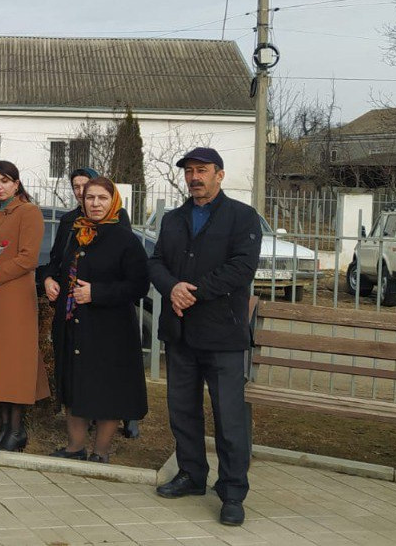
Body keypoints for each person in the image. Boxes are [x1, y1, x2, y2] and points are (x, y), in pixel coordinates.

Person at [149, 148, 261, 527]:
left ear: (220, 174)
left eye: (203, 170)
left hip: (222, 333)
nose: (195, 177)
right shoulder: (174, 218)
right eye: (190, 171)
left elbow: (241, 267)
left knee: (229, 418)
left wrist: (191, 291)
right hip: (181, 332)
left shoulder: (242, 217)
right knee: (182, 410)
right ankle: (192, 475)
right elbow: (156, 262)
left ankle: (232, 491)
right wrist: (172, 286)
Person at [48, 177, 148, 464]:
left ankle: (100, 451)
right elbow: (58, 264)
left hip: (110, 329)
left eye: (102, 198)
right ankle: (75, 446)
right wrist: (50, 278)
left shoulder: (125, 239)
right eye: (89, 198)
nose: (95, 204)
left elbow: (139, 285)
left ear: (113, 200)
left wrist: (98, 292)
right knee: (74, 384)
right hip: (74, 324)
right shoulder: (76, 232)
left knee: (108, 389)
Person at [0, 160, 49, 451]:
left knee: (14, 363)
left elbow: (28, 257)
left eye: (4, 181)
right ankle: (5, 427)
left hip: (15, 294)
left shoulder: (28, 212)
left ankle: (16, 430)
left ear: (16, 184)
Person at [42, 168, 99, 302]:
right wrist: (48, 279)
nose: (80, 192)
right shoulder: (68, 219)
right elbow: (56, 258)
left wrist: (97, 290)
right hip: (70, 297)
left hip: (98, 300)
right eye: (76, 187)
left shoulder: (114, 218)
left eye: (85, 186)